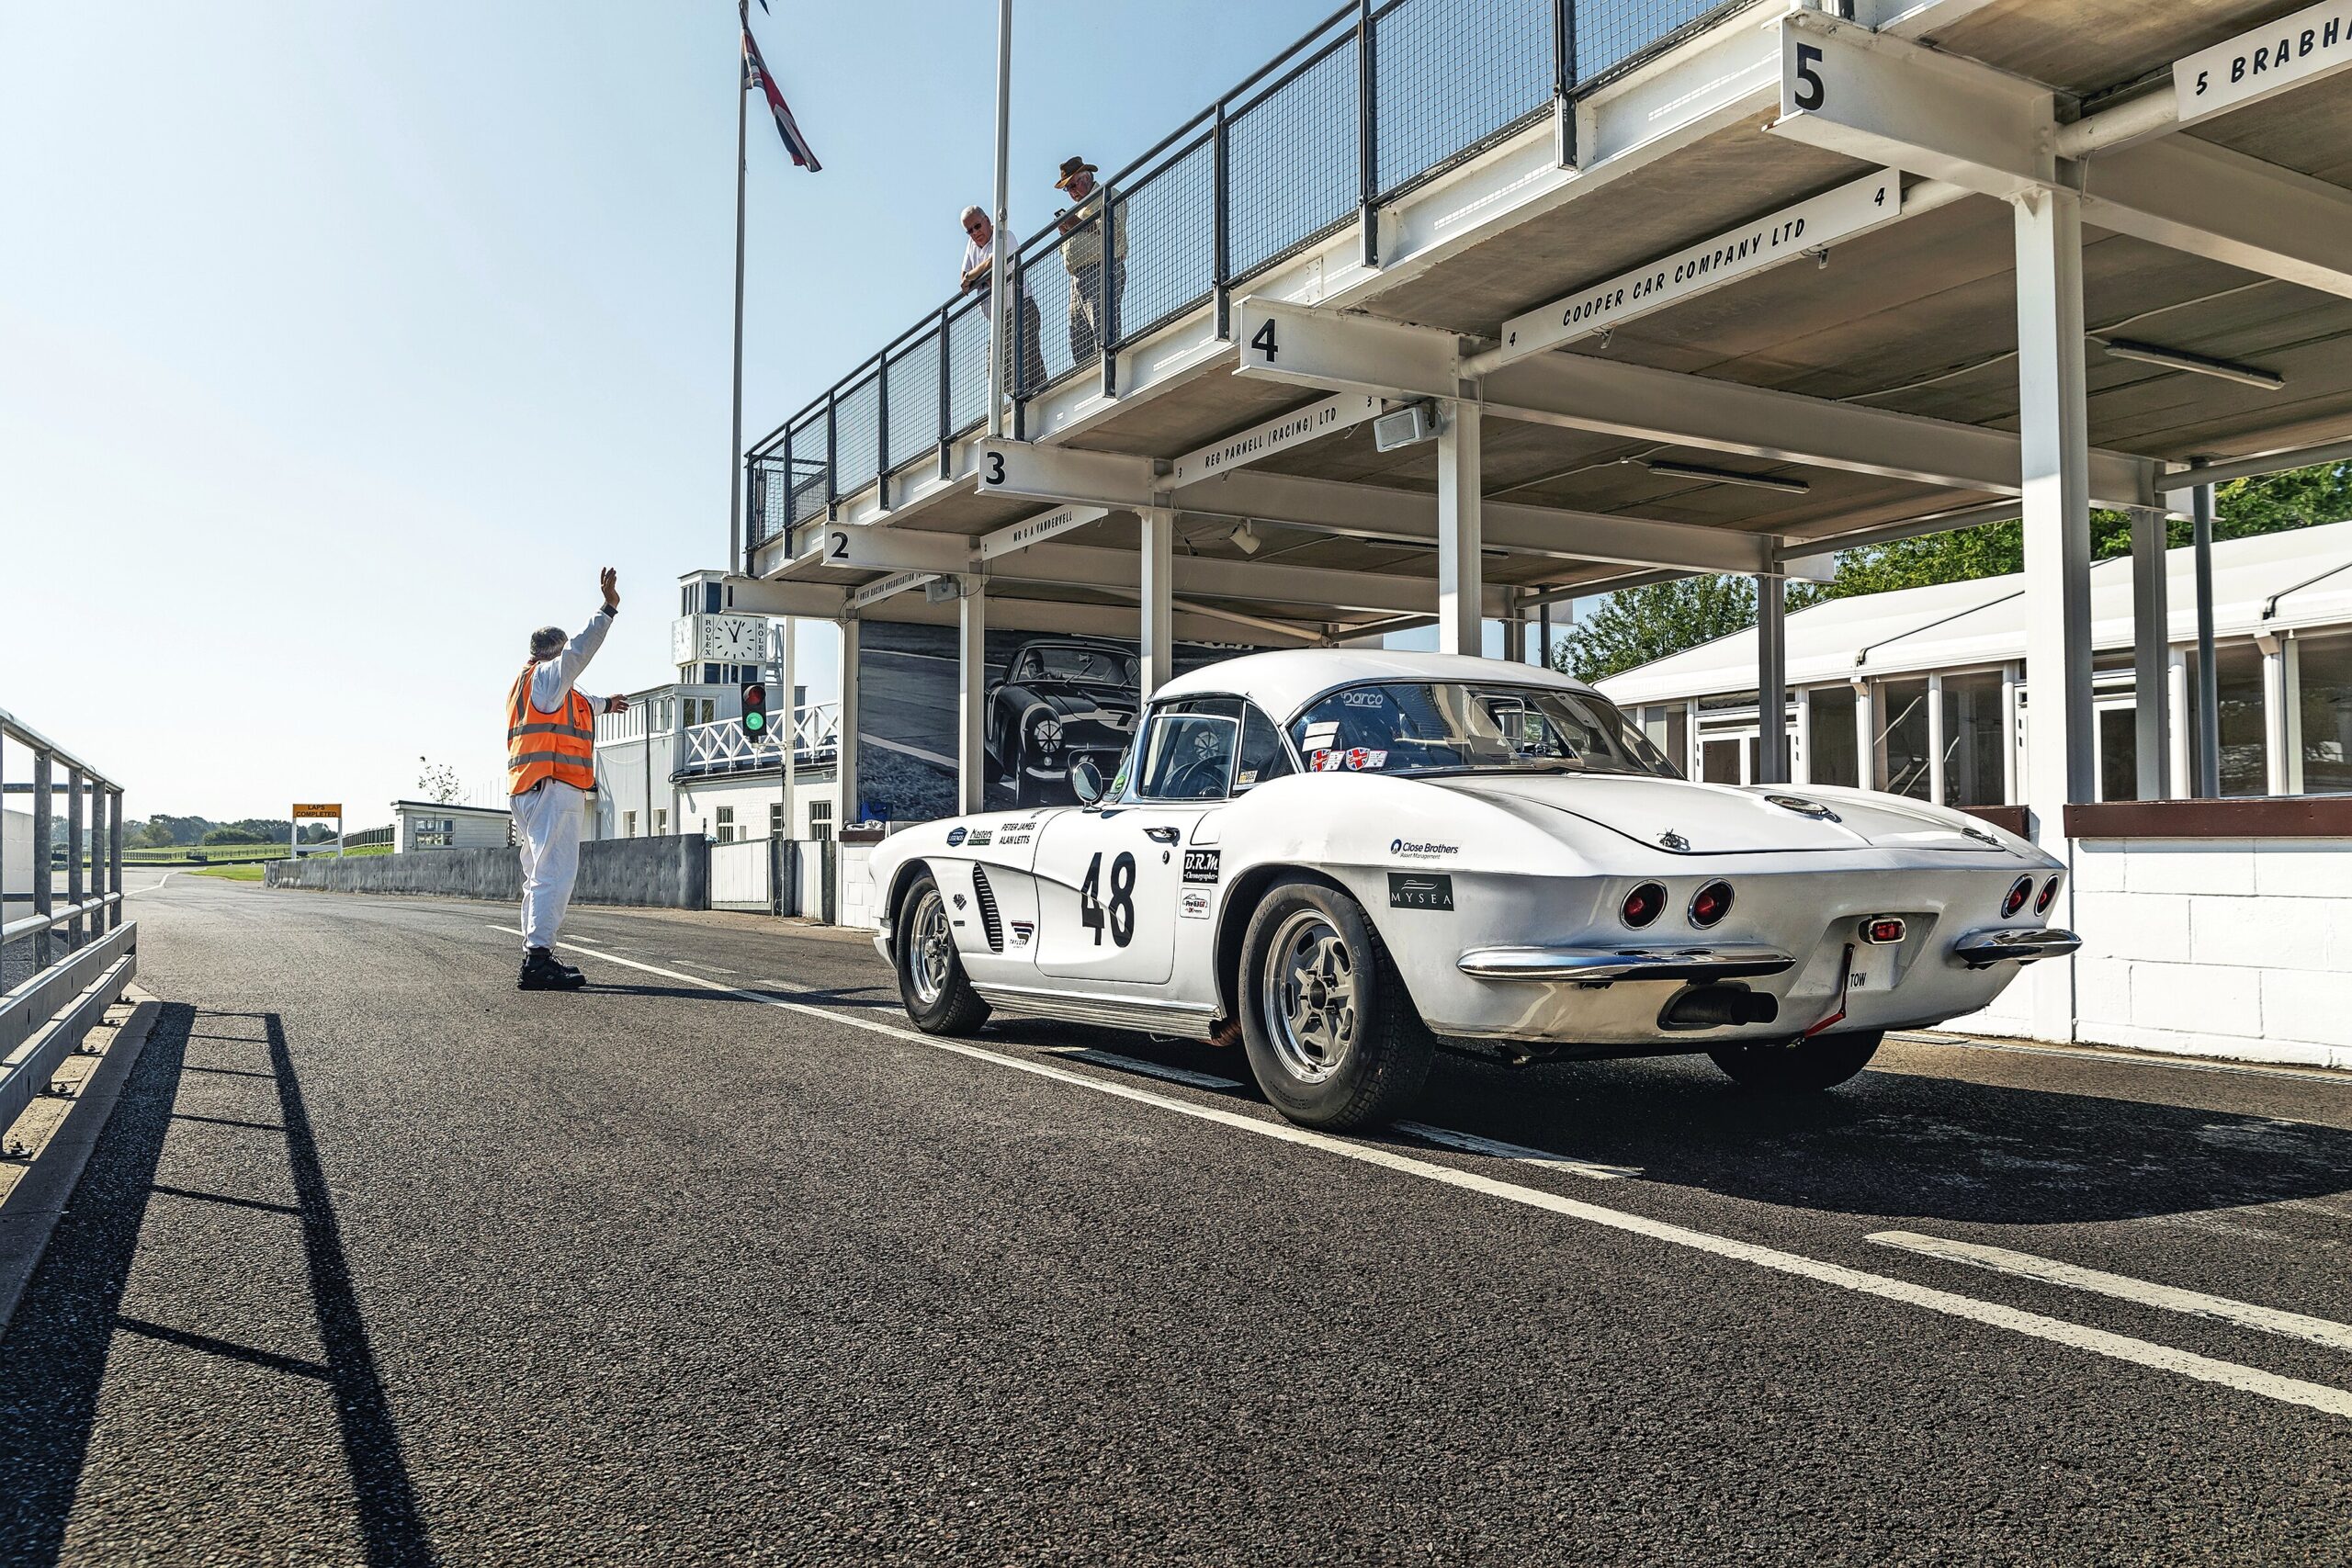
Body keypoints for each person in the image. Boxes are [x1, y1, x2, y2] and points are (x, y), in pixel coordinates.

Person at [508, 568, 628, 991]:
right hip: (553, 787)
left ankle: (534, 952)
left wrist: (608, 704)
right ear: (552, 656)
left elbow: (586, 702)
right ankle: (538, 960)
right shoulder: (547, 678)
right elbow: (578, 652)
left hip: (529, 788)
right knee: (554, 874)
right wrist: (607, 609)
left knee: (536, 875)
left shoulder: (545, 689)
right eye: (562, 660)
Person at [958, 204, 1046, 395]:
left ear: (987, 221)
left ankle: (1039, 400)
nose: (975, 233)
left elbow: (994, 262)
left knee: (1029, 363)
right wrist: (981, 275)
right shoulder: (972, 246)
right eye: (969, 231)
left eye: (977, 226)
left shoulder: (1005, 236)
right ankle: (1020, 400)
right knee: (997, 373)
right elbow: (963, 282)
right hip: (998, 320)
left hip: (1021, 309)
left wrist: (975, 277)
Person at [1053, 157, 1125, 364]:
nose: (1072, 192)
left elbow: (1112, 230)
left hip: (1101, 269)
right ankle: (1088, 375)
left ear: (1086, 178)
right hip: (1077, 278)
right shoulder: (1078, 209)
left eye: (1073, 185)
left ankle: (1109, 369)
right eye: (1067, 189)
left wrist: (1075, 223)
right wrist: (1066, 231)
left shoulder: (1107, 195)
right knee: (1079, 340)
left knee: (1103, 330)